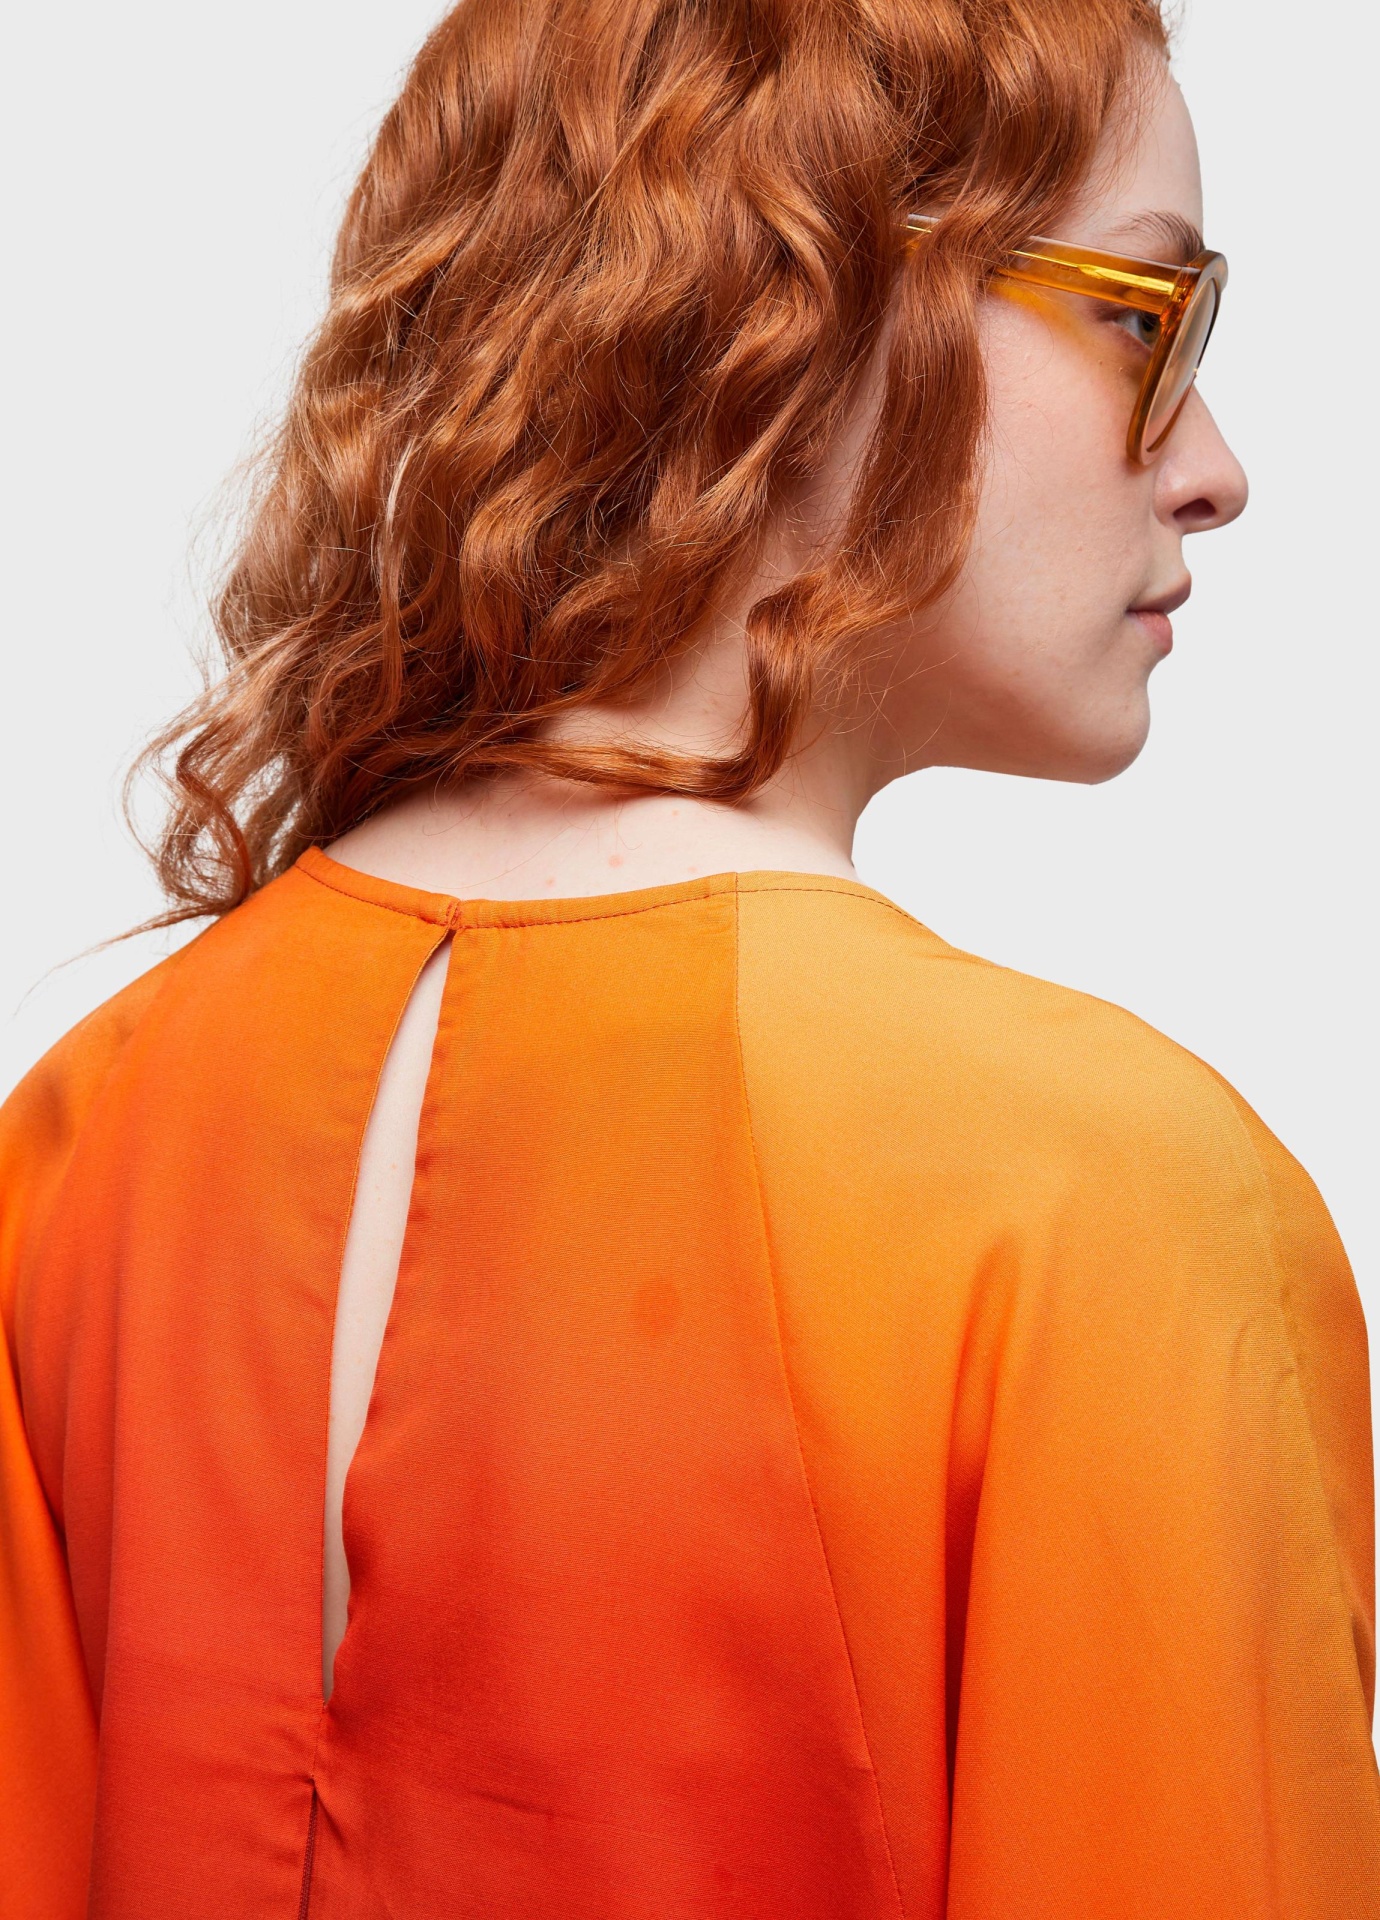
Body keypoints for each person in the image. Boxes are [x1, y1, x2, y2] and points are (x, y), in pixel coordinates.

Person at [2, 0, 1376, 1913]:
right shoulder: (1102, 1200)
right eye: (1148, 321)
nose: (1215, 467)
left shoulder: (85, 1137)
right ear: (802, 314)